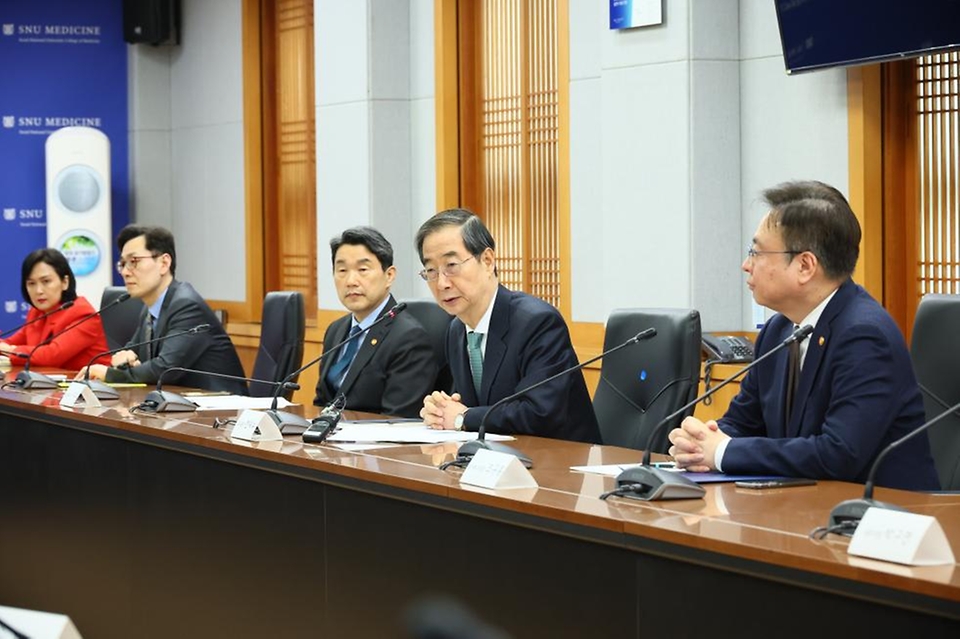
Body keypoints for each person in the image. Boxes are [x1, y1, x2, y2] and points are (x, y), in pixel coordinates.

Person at [668, 181, 939, 490]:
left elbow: (838, 453)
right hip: (802, 511)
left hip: (880, 520)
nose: (746, 265)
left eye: (756, 252)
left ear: (805, 266)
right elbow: (743, 422)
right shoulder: (777, 331)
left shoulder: (865, 335)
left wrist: (724, 452)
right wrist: (700, 442)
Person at [417, 208, 600, 443]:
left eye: (451, 265)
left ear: (487, 261)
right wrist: (440, 410)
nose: (441, 283)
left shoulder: (537, 322)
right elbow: (469, 405)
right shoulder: (456, 330)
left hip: (559, 463)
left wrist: (464, 418)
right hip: (495, 463)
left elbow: (540, 412)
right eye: (431, 271)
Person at [81, 225, 247, 394]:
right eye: (123, 263)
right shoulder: (149, 309)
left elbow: (165, 369)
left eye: (134, 262)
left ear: (164, 263)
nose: (125, 272)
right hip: (180, 405)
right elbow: (131, 351)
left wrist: (110, 374)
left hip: (221, 410)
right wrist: (124, 359)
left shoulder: (187, 306)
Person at [314, 226, 438, 417]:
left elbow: (397, 420)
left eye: (362, 269)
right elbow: (321, 403)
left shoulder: (408, 338)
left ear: (389, 276)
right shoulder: (336, 330)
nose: (351, 281)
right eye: (342, 270)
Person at [0, 248, 110, 370]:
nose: (38, 291)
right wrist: (6, 348)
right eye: (31, 283)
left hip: (88, 386)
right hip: (51, 384)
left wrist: (11, 351)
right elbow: (8, 343)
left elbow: (52, 355)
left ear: (65, 282)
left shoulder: (84, 315)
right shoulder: (36, 313)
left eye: (46, 281)